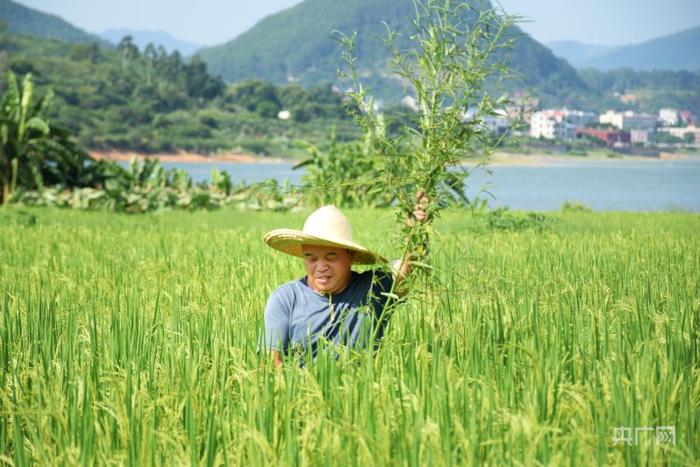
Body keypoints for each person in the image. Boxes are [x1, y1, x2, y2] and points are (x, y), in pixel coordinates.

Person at [260, 204, 425, 367]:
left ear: (350, 256)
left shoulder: (373, 288)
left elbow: (408, 268)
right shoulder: (285, 298)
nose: (321, 267)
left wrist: (416, 230)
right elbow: (271, 365)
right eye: (311, 258)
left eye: (331, 257)